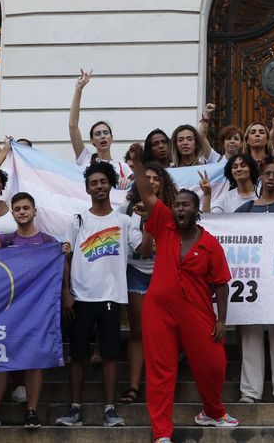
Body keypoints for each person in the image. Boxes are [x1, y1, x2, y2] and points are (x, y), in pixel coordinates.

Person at [128, 144, 238, 441]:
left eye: (185, 205)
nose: (179, 209)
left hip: (197, 311)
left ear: (196, 210)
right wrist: (138, 164)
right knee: (161, 371)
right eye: (176, 204)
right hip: (158, 310)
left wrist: (222, 320)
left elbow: (221, 284)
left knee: (214, 364)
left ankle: (212, 413)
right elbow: (146, 194)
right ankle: (162, 432)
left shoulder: (210, 243)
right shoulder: (164, 225)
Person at [0, 192, 70, 429]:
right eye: (18, 208)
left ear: (35, 212)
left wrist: (66, 289)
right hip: (9, 309)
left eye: (26, 208)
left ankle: (31, 411)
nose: (22, 211)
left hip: (37, 310)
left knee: (34, 360)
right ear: (13, 213)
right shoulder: (6, 239)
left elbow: (61, 268)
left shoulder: (48, 242)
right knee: (0, 358)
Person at [57, 161, 144, 428]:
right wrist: (65, 293)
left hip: (111, 298)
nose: (99, 187)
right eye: (93, 183)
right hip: (80, 299)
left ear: (110, 185)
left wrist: (150, 219)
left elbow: (144, 250)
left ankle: (110, 409)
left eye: (103, 182)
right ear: (87, 188)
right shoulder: (77, 220)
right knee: (78, 356)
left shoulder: (125, 220)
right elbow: (65, 259)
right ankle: (74, 410)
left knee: (109, 355)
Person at [234, 156, 274, 403]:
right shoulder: (245, 210)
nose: (270, 178)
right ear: (260, 177)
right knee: (250, 334)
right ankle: (250, 391)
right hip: (253, 280)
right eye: (267, 174)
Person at [119, 162, 177, 407]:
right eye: (147, 178)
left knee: (165, 332)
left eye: (156, 178)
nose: (151, 182)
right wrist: (150, 224)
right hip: (136, 273)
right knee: (138, 331)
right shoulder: (128, 209)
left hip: (166, 273)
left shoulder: (175, 208)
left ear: (163, 184)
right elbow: (144, 250)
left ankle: (161, 385)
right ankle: (133, 386)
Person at [68, 69, 130, 184]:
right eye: (97, 134)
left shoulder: (123, 167)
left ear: (112, 137)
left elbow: (138, 190)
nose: (102, 136)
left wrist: (127, 182)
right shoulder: (85, 158)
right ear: (92, 140)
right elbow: (73, 126)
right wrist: (78, 90)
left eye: (106, 133)